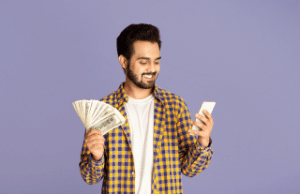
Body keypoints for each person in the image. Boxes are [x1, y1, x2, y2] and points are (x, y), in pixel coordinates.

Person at [79, 23, 214, 194]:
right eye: (144, 62)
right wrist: (96, 156)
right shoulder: (102, 109)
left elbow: (189, 169)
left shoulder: (175, 106)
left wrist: (203, 142)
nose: (152, 69)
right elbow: (89, 177)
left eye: (156, 61)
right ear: (124, 61)